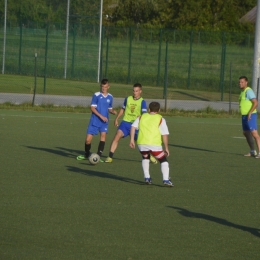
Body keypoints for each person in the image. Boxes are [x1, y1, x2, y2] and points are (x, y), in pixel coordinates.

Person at [105, 83, 157, 164]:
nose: (134, 92)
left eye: (136, 91)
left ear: (140, 91)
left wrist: (141, 120)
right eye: (133, 91)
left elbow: (144, 115)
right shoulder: (128, 99)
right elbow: (122, 109)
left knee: (141, 144)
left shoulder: (142, 102)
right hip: (125, 123)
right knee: (117, 136)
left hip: (136, 125)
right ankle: (110, 157)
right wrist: (117, 118)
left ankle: (150, 156)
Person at [129, 101, 173, 187]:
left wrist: (131, 140)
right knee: (163, 160)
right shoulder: (160, 119)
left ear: (149, 109)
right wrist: (166, 148)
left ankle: (147, 178)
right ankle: (166, 180)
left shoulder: (141, 117)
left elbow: (133, 127)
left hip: (141, 143)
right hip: (154, 144)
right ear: (159, 110)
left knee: (145, 157)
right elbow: (164, 134)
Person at [77, 79, 117, 162]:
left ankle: (98, 156)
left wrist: (112, 111)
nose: (103, 88)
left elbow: (109, 108)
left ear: (108, 87)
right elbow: (92, 108)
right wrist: (101, 116)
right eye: (102, 86)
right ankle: (87, 154)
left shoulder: (110, 97)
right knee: (88, 140)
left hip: (104, 122)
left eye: (105, 87)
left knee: (103, 137)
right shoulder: (96, 95)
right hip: (95, 120)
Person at [239, 76, 260, 158]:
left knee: (254, 134)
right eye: (239, 82)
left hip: (250, 115)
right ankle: (252, 151)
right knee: (246, 133)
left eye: (242, 82)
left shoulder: (249, 91)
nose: (240, 83)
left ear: (246, 82)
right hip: (244, 116)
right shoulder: (242, 92)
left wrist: (250, 112)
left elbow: (255, 102)